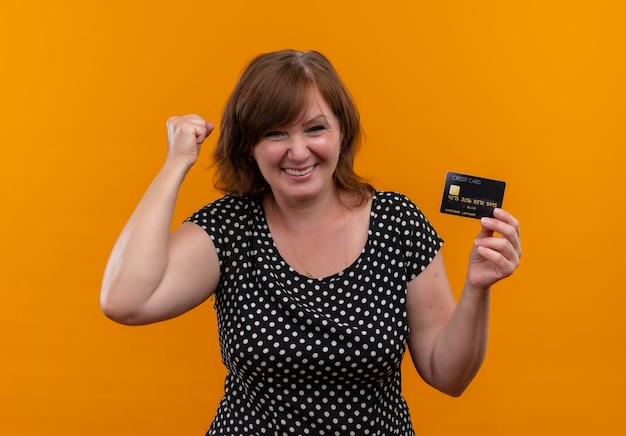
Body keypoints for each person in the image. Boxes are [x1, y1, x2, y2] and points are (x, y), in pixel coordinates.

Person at [101, 50, 522, 435]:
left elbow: (447, 376)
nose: (298, 152)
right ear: (249, 146)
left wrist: (477, 288)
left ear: (342, 132)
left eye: (315, 128)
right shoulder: (231, 229)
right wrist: (176, 162)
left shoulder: (397, 224)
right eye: (275, 133)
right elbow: (125, 301)